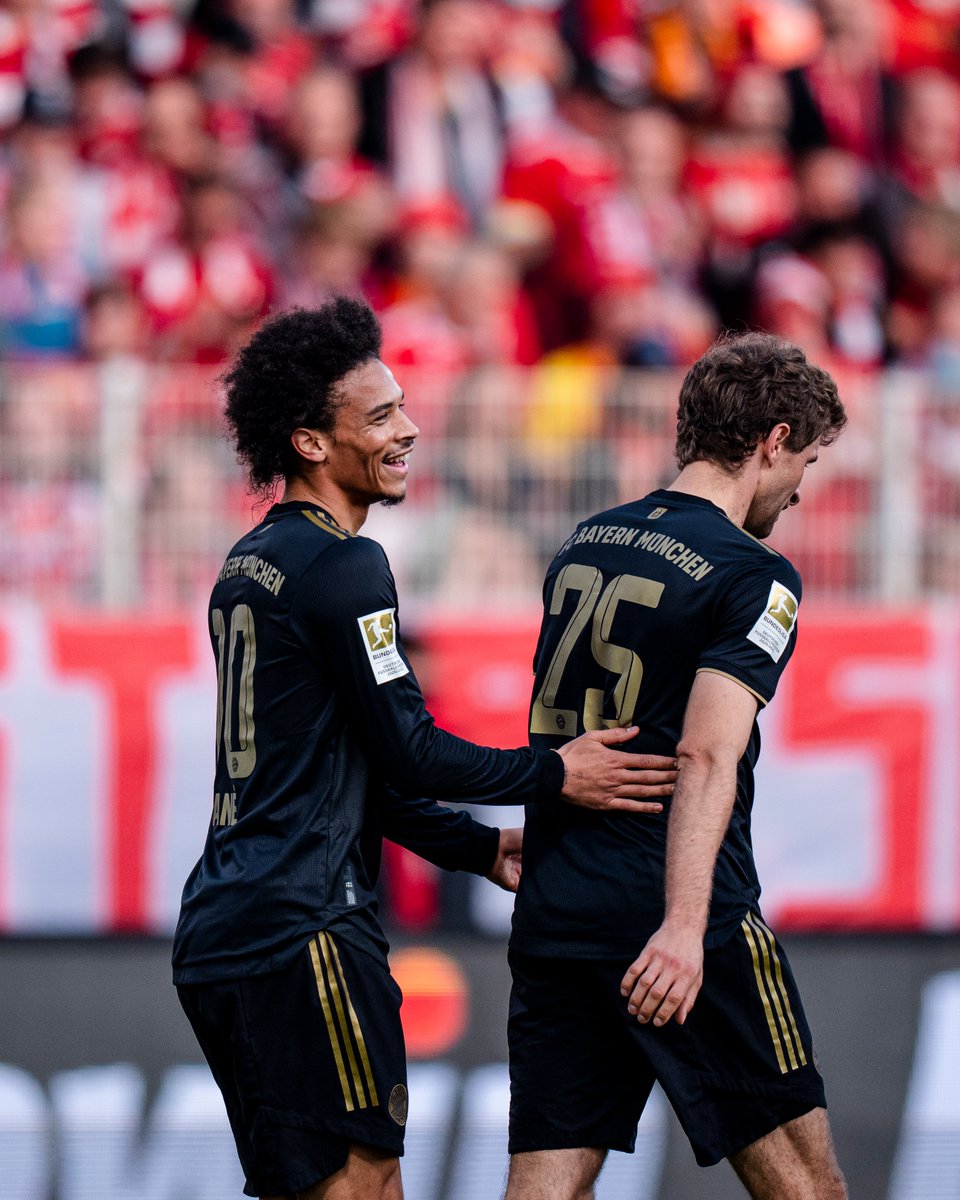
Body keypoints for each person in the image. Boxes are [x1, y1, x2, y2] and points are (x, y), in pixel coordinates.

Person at [171, 296, 678, 1200]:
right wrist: (560, 773)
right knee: (366, 1185)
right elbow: (411, 753)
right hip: (306, 926)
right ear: (310, 444)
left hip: (222, 929)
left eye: (402, 405)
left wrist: (482, 848)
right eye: (379, 417)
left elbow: (359, 769)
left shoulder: (248, 563)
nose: (408, 429)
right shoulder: (347, 563)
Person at [506, 332, 849, 1200]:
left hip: (558, 901)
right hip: (677, 912)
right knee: (806, 1187)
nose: (800, 489)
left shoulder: (585, 541)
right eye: (803, 460)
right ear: (772, 440)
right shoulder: (754, 573)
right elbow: (704, 750)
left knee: (546, 1184)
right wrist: (686, 927)